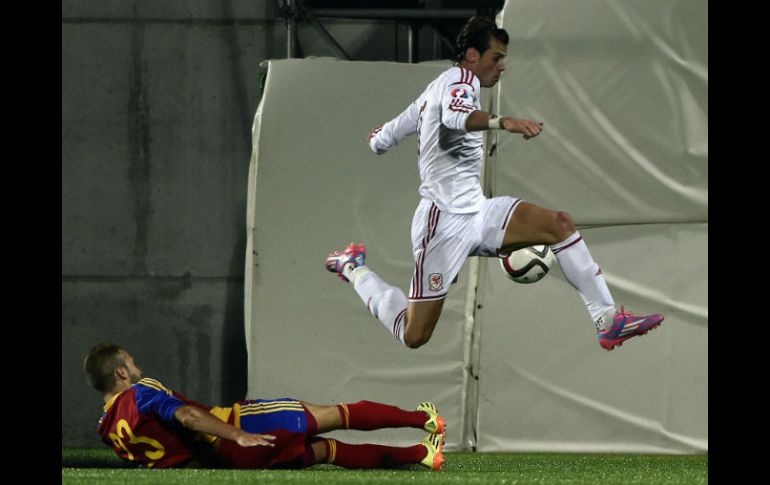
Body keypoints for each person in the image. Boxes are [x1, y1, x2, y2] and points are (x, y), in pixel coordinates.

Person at [325, 16, 663, 352]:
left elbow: (383, 138)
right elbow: (458, 117)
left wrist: (379, 138)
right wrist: (507, 122)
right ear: (473, 56)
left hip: (478, 211)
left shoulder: (432, 92)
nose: (502, 67)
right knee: (415, 335)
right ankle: (352, 267)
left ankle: (606, 320)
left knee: (559, 224)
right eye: (496, 58)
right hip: (442, 223)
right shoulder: (461, 80)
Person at [84, 342, 446, 470]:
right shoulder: (140, 392)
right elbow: (188, 417)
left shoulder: (108, 431)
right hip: (241, 428)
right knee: (337, 414)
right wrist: (236, 433)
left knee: (328, 452)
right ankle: (425, 420)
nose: (138, 367)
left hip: (227, 464)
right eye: (131, 363)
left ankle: (422, 455)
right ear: (120, 372)